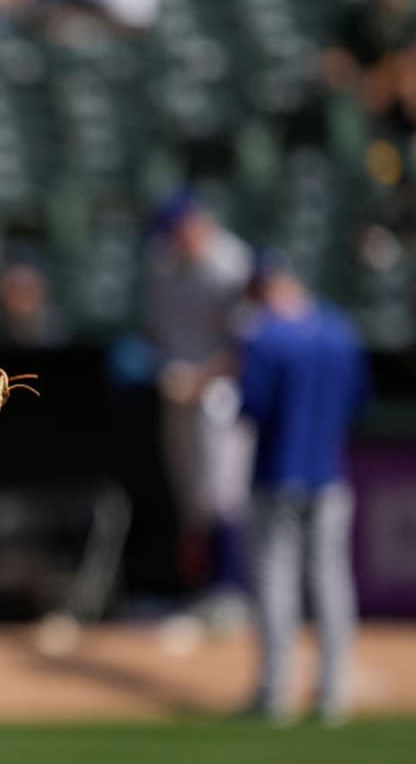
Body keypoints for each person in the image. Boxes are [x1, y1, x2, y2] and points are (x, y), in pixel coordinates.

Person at [237, 254, 368, 726]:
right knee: (332, 582)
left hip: (278, 473)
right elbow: (359, 400)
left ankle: (276, 694)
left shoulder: (265, 336)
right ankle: (333, 694)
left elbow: (251, 404)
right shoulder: (340, 330)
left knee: (277, 584)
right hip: (330, 473)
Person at [143, 190, 256, 624]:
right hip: (178, 386)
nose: (176, 240)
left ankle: (232, 593)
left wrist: (199, 380)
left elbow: (247, 344)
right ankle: (204, 591)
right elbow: (158, 330)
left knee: (223, 495)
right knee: (190, 497)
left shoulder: (231, 264)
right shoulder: (162, 262)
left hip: (220, 392)